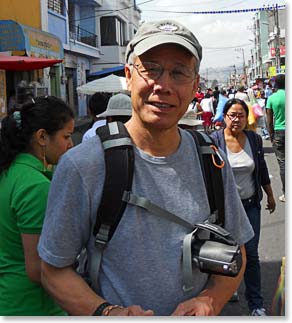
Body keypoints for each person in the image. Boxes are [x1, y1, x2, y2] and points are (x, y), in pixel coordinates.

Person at [38, 19, 253, 316]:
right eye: (150, 69)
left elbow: (236, 248)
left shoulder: (211, 158)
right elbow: (52, 270)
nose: (163, 86)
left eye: (179, 72)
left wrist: (211, 300)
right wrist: (106, 312)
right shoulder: (83, 164)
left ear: (195, 85)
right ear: (129, 76)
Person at [0, 96, 74, 315]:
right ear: (42, 137)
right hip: (34, 307)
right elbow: (37, 270)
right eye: (66, 137)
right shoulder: (36, 186)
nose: (71, 145)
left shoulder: (10, 172)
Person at [211, 98, 276, 316]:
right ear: (224, 116)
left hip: (250, 206)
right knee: (227, 253)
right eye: (232, 115)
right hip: (225, 208)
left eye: (240, 115)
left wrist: (270, 194)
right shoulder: (214, 141)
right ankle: (228, 288)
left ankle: (256, 305)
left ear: (246, 117)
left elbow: (262, 168)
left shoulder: (254, 139)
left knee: (251, 254)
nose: (236, 119)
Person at [266, 74, 285, 202]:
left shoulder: (272, 98)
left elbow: (269, 121)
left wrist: (271, 135)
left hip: (279, 133)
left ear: (275, 84)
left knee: (283, 164)